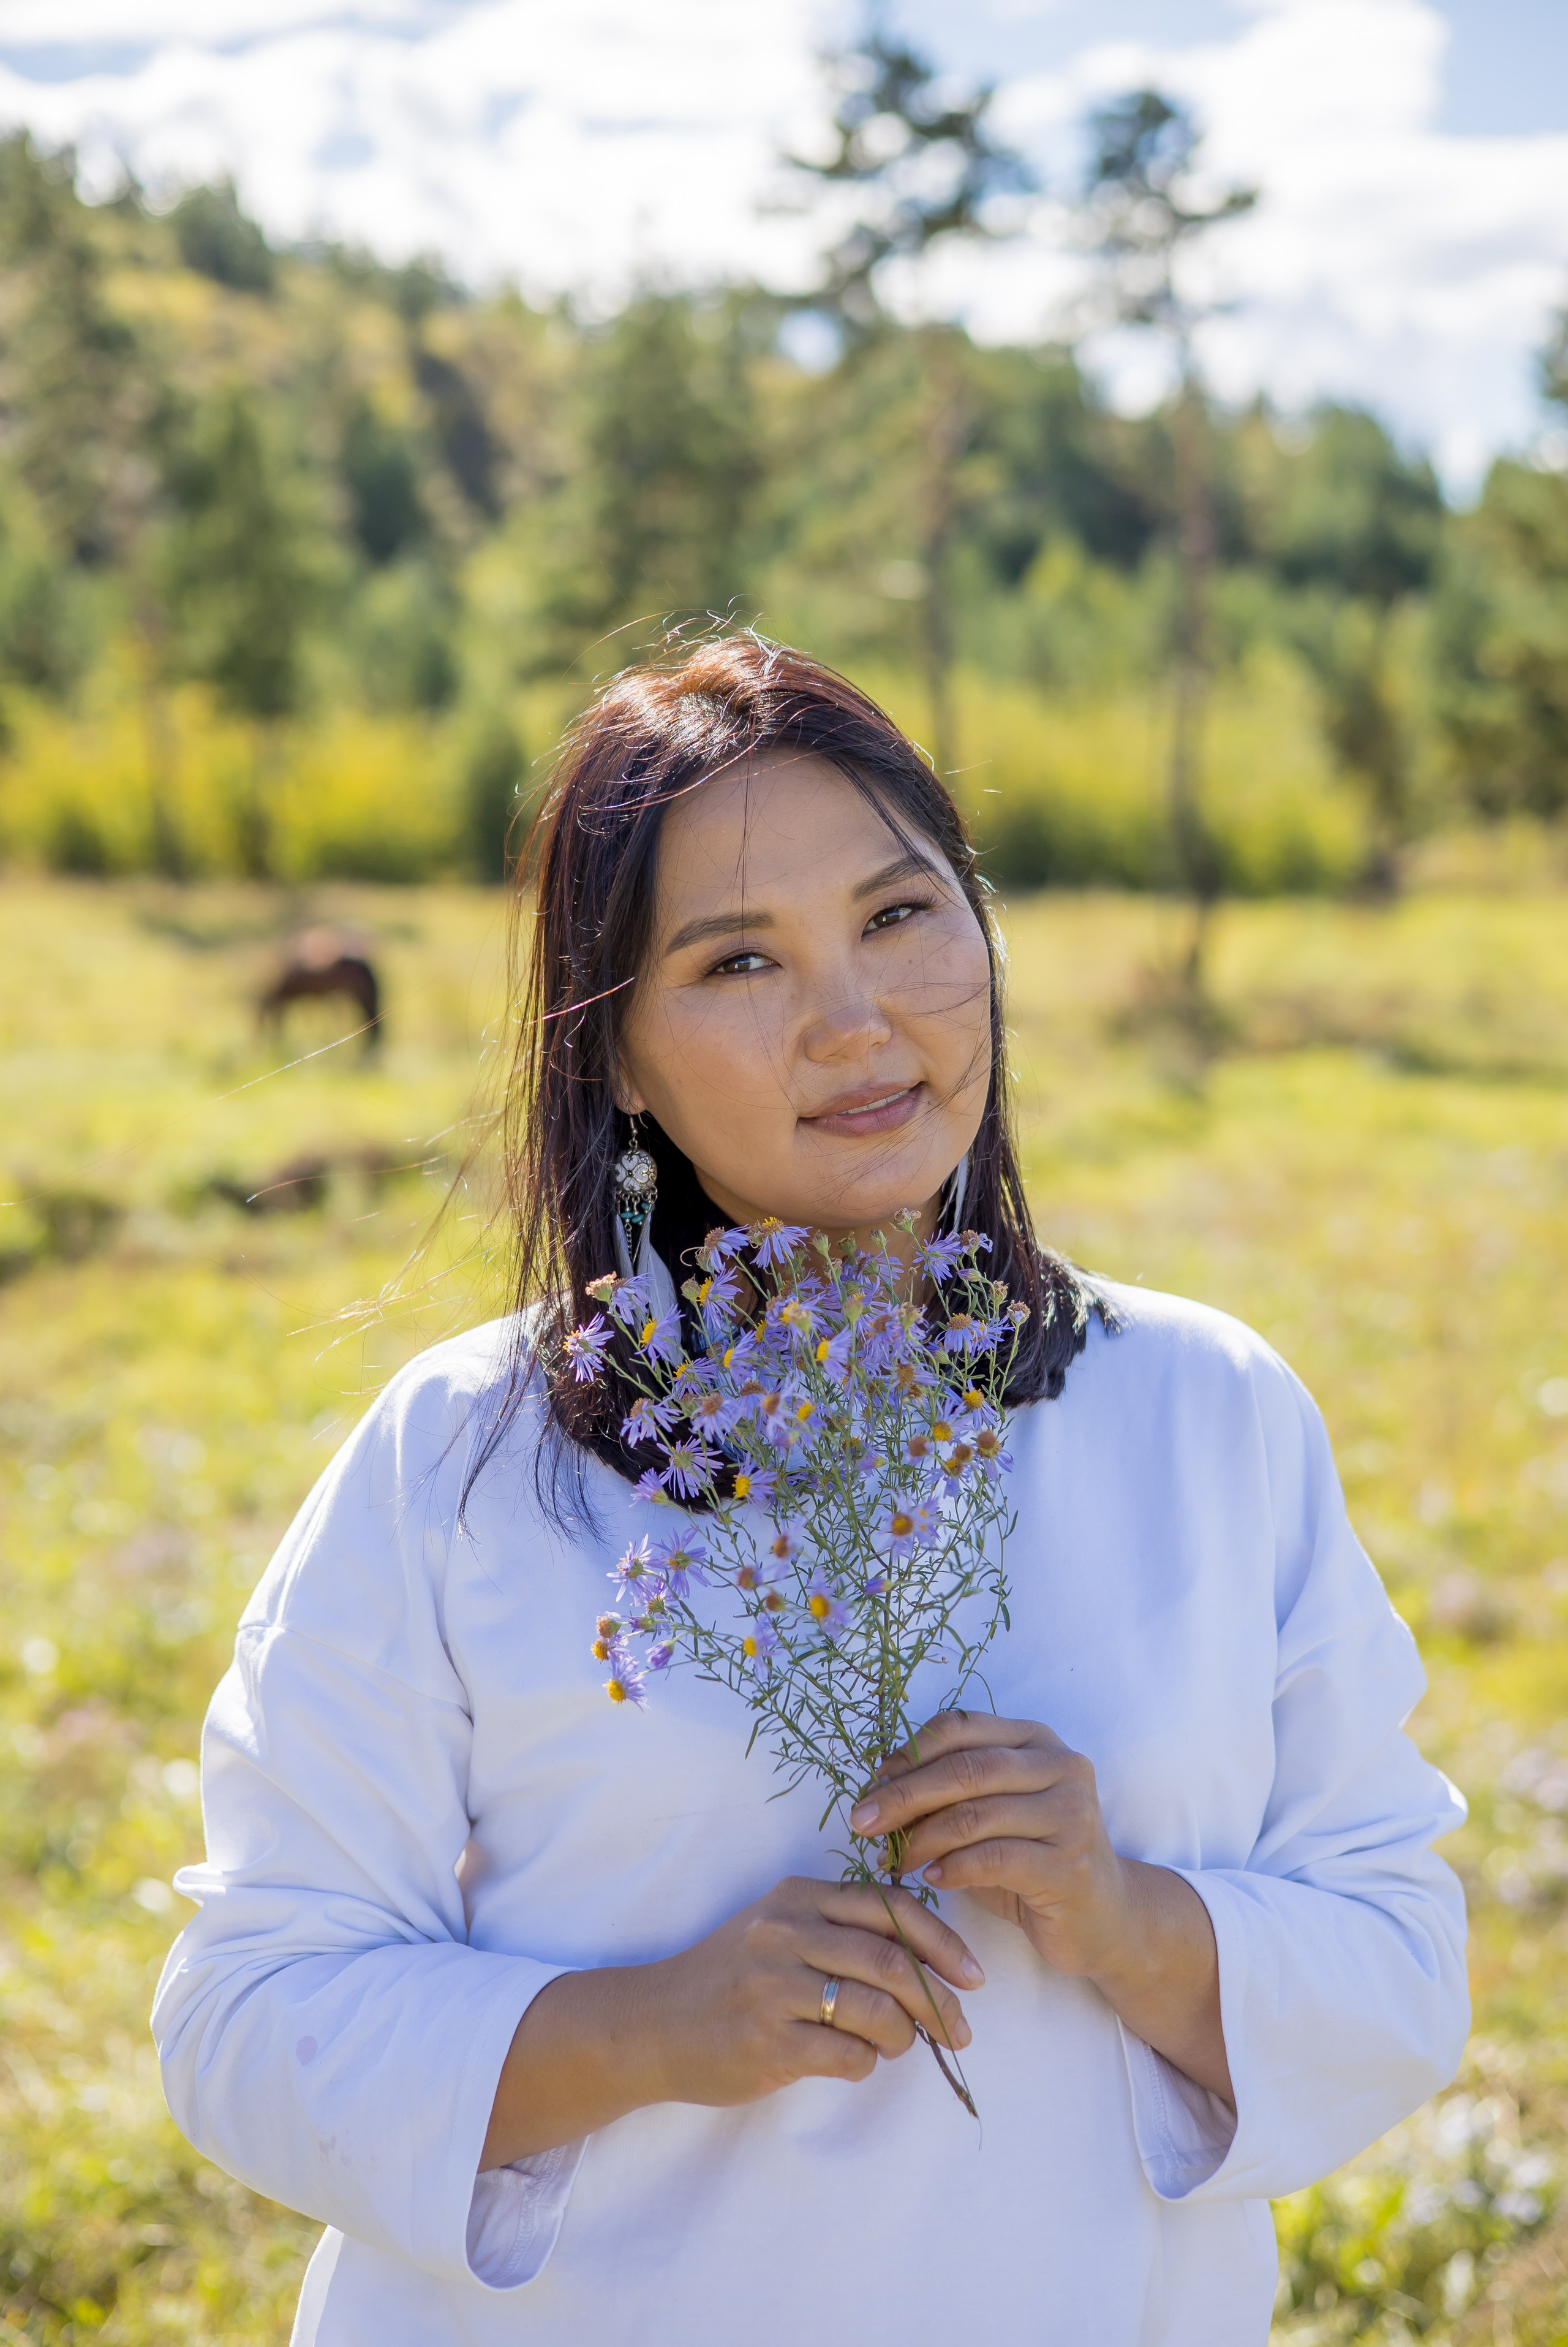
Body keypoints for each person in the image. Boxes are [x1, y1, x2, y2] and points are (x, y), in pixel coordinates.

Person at [153, 637, 1468, 2346]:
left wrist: (1129, 1916)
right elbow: (247, 2020)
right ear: (614, 1054)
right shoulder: (466, 1459)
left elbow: (1404, 1964)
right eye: (739, 959)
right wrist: (651, 2028)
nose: (854, 1020)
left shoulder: (1207, 1411)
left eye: (902, 915)